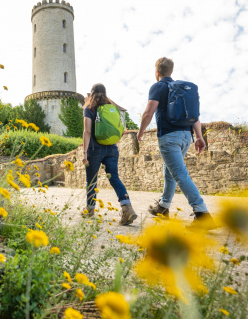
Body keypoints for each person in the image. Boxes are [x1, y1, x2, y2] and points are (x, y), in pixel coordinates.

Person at [136, 57, 216, 227]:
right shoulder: (181, 90)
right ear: (170, 71)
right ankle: (163, 207)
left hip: (169, 137)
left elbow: (148, 112)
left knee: (179, 173)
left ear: (157, 72)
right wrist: (199, 137)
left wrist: (140, 132)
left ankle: (202, 213)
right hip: (186, 137)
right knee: (169, 170)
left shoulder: (158, 86)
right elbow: (194, 116)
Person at [83, 83, 137, 225]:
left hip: (94, 149)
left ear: (92, 93)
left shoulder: (89, 109)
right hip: (112, 148)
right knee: (115, 178)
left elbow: (87, 131)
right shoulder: (112, 109)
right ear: (105, 93)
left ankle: (89, 209)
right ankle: (127, 207)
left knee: (91, 181)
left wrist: (84, 153)